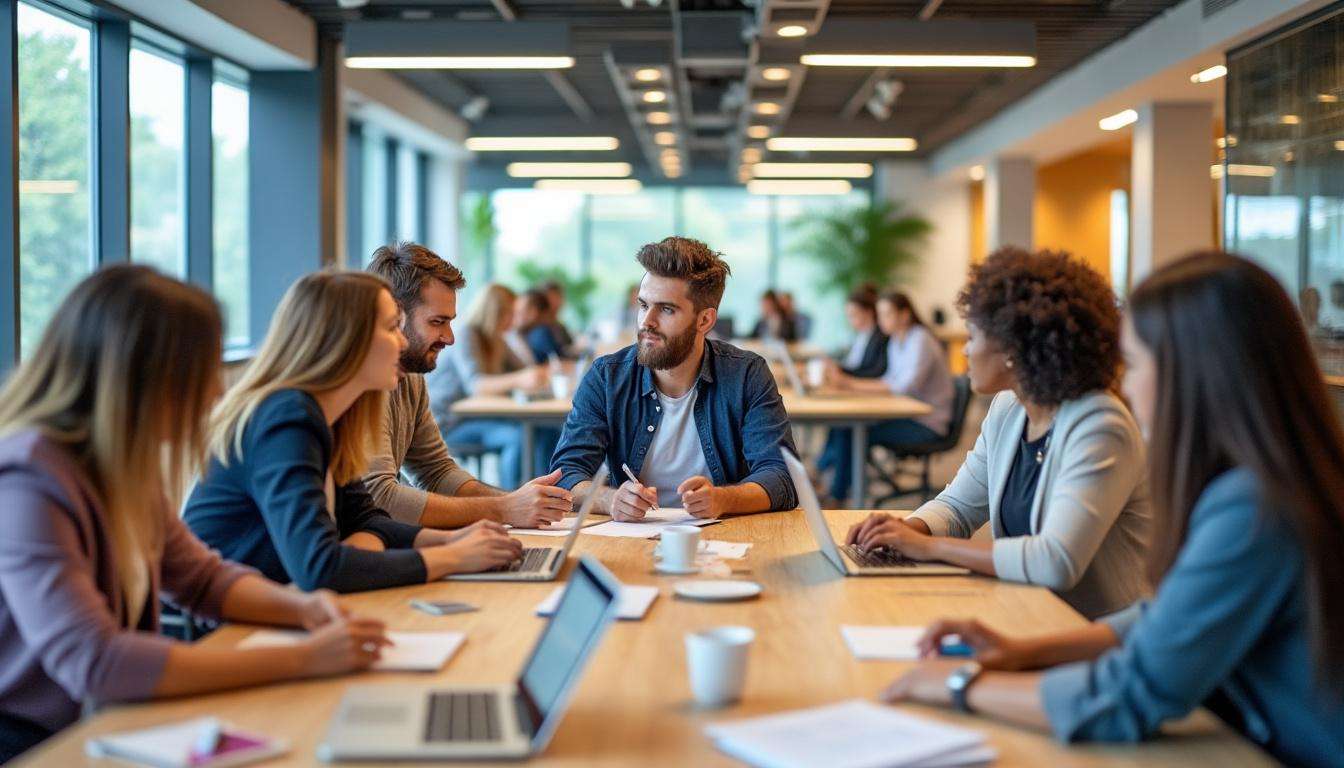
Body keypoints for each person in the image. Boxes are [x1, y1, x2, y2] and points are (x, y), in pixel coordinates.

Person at [881, 252, 1344, 767]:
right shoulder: (1265, 483)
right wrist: (1020, 652)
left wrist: (961, 682)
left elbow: (1130, 694)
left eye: (1138, 363)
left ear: (1194, 374)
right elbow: (1164, 618)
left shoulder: (1253, 507)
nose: (1126, 383)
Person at [0, 267, 389, 762]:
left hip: (107, 722)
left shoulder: (121, 466)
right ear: (143, 376)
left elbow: (201, 579)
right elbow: (96, 661)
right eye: (201, 372)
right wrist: (303, 658)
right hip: (33, 744)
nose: (214, 392)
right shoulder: (28, 479)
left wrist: (304, 610)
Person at [845, 249, 1151, 620]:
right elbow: (958, 506)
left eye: (973, 336)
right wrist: (907, 529)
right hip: (1027, 613)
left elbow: (1055, 561)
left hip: (1091, 636)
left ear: (1013, 347)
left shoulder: (1101, 426)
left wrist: (929, 548)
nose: (966, 352)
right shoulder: (1010, 408)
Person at [184, 271, 522, 593]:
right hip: (225, 630)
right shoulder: (285, 418)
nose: (403, 342)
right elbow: (320, 568)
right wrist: (453, 558)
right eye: (392, 328)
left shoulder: (335, 415)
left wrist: (452, 540)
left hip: (293, 608)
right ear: (345, 340)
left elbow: (367, 520)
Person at [551, 236, 798, 520]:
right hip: (628, 537)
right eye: (643, 305)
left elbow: (781, 478)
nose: (647, 322)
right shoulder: (607, 377)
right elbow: (566, 474)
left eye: (666, 309)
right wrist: (609, 499)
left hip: (723, 537)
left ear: (704, 320)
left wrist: (722, 499)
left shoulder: (746, 375)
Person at [363, 242, 573, 530]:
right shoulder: (361, 383)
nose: (449, 338)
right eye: (437, 322)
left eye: (449, 322)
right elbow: (379, 497)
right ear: (393, 317)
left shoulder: (411, 377)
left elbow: (436, 472)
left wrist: (518, 502)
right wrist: (503, 508)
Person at [816, 291, 954, 507]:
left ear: (905, 314)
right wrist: (852, 386)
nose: (882, 320)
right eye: (880, 314)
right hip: (907, 414)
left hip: (927, 423)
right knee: (846, 426)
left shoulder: (920, 339)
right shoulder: (896, 340)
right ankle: (836, 487)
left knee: (854, 430)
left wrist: (850, 384)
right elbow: (888, 381)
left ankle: (839, 495)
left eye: (887, 314)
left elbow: (904, 387)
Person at [426, 283, 560, 491]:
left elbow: (525, 368)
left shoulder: (497, 339)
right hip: (449, 422)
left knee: (546, 431)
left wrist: (525, 362)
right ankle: (514, 497)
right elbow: (476, 385)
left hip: (477, 417)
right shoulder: (467, 335)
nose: (514, 319)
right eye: (510, 313)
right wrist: (519, 379)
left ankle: (549, 492)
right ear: (496, 312)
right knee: (519, 436)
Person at [839, 284, 888, 379]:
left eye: (853, 315)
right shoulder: (861, 335)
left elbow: (876, 372)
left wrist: (841, 371)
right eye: (848, 316)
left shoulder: (882, 336)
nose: (849, 320)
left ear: (868, 312)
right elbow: (852, 363)